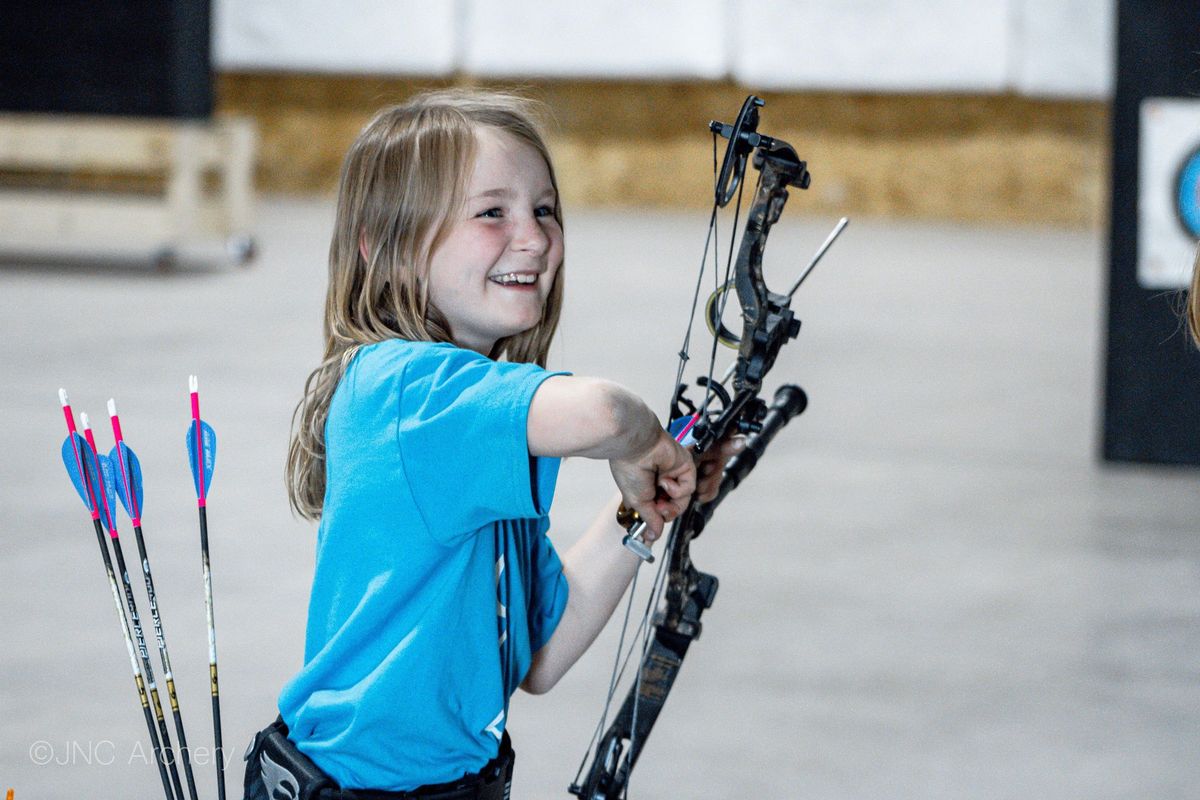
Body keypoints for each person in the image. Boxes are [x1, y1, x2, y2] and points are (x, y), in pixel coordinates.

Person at [242, 90, 740, 799]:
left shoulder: (483, 421)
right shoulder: (409, 391)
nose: (533, 237)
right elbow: (603, 413)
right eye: (491, 212)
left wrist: (642, 506)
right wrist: (645, 441)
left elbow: (539, 654)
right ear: (388, 249)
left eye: (544, 209)